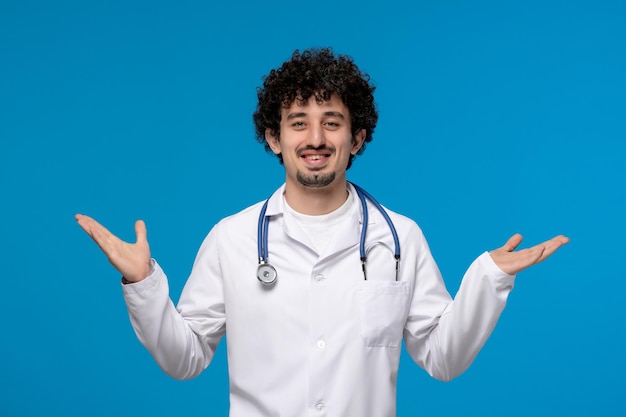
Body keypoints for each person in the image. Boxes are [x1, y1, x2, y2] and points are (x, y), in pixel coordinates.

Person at [75, 48, 569, 417]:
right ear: (274, 137)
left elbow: (443, 359)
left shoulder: (401, 238)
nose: (315, 139)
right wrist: (143, 285)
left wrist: (488, 279)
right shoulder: (232, 238)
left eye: (331, 123)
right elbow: (185, 359)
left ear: (356, 138)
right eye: (298, 123)